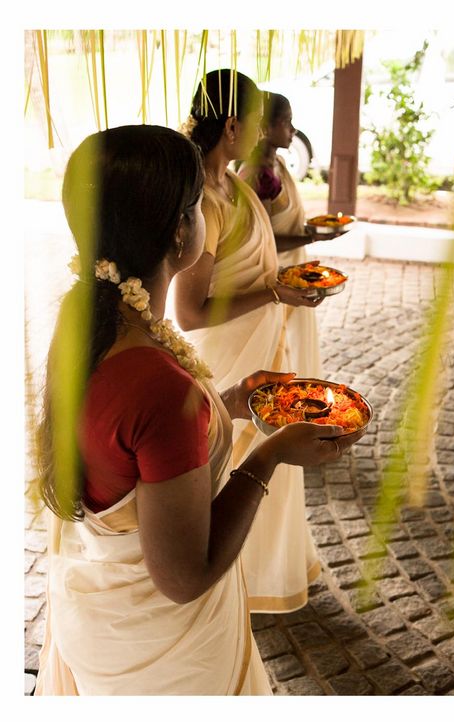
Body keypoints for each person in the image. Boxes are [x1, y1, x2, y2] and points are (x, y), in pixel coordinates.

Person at [33, 126, 360, 694]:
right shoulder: (158, 385)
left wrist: (229, 406)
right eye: (197, 206)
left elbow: (130, 454)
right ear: (181, 230)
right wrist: (271, 454)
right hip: (170, 652)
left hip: (111, 626)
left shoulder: (95, 326)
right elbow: (185, 578)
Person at [175, 70, 327, 613]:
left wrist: (278, 292)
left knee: (268, 463)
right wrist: (276, 293)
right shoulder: (205, 202)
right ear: (233, 125)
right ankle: (228, 581)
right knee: (231, 466)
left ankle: (257, 570)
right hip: (226, 360)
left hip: (262, 344)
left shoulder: (232, 186)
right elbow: (189, 313)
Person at [238, 92, 338, 378]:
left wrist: (313, 232)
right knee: (280, 346)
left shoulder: (278, 166)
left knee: (293, 341)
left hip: (295, 265)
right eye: (287, 122)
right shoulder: (257, 175)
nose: (293, 130)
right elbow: (265, 237)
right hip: (275, 272)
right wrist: (313, 237)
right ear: (266, 128)